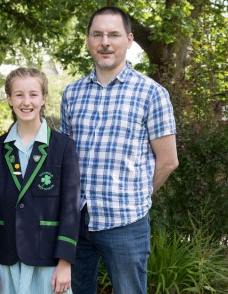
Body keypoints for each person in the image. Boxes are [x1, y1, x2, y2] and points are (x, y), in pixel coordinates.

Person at [60, 6, 179, 294]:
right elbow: (65, 158)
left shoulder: (152, 94)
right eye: (97, 34)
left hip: (126, 222)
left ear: (128, 39)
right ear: (88, 39)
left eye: (113, 34)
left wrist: (135, 196)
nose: (105, 42)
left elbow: (168, 161)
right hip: (77, 220)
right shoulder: (72, 93)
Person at [0, 67, 80, 294]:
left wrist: (65, 262)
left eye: (33, 94)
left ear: (44, 98)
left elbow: (70, 208)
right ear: (9, 99)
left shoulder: (63, 146)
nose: (26, 102)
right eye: (19, 95)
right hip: (6, 258)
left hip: (48, 260)